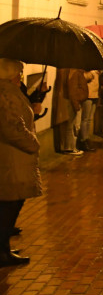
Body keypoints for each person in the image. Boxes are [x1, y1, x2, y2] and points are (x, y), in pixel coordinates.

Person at [0, 59, 41, 267]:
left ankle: (4, 248)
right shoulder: (5, 93)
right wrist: (32, 142)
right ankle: (1, 251)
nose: (21, 75)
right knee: (8, 206)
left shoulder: (9, 90)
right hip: (11, 158)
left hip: (14, 158)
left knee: (11, 205)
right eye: (19, 72)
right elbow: (11, 127)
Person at [52, 68, 88, 156]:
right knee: (73, 125)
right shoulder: (75, 72)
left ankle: (70, 147)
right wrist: (76, 104)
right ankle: (70, 148)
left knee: (72, 125)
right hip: (74, 102)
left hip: (72, 101)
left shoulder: (69, 71)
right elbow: (73, 90)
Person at [78, 70, 99, 152]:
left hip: (95, 96)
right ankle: (83, 140)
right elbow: (85, 77)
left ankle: (87, 137)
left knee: (89, 119)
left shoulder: (97, 71)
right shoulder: (89, 71)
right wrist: (92, 73)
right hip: (88, 96)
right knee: (85, 119)